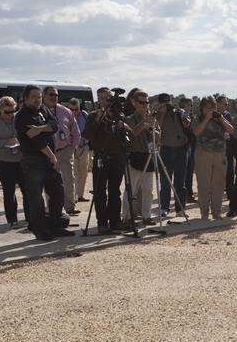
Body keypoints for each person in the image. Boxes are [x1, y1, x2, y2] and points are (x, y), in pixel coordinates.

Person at [14, 85, 71, 241]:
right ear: (25, 98)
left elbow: (55, 125)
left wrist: (40, 128)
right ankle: (40, 230)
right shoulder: (22, 116)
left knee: (57, 192)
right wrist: (52, 156)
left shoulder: (43, 109)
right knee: (36, 198)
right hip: (33, 160)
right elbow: (36, 140)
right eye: (34, 97)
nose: (37, 100)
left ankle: (56, 226)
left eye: (39, 97)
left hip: (48, 159)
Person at [81, 88, 132, 233]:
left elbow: (132, 135)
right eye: (101, 98)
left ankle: (115, 221)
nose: (104, 101)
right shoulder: (93, 115)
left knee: (115, 191)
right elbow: (86, 135)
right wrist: (99, 118)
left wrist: (124, 126)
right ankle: (102, 223)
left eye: (107, 98)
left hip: (117, 157)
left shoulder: (119, 115)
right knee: (99, 192)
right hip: (101, 157)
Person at [0, 96, 24, 229]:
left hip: (20, 160)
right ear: (0, 110)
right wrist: (6, 142)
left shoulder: (18, 119)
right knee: (9, 191)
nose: (10, 115)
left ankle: (30, 219)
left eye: (13, 111)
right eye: (7, 112)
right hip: (3, 161)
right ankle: (12, 220)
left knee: (27, 190)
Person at [44, 86, 81, 216]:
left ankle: (70, 206)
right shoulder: (40, 111)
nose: (54, 97)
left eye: (56, 95)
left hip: (65, 150)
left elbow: (75, 131)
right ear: (44, 96)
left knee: (69, 180)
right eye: (51, 94)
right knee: (50, 182)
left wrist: (73, 147)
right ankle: (52, 209)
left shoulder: (65, 111)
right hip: (47, 152)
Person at [191, 97, 231, 220]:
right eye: (207, 107)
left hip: (220, 154)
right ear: (202, 108)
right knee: (204, 184)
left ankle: (216, 212)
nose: (210, 109)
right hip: (203, 154)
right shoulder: (197, 119)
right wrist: (207, 119)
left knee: (218, 184)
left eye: (212, 107)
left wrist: (222, 119)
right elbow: (196, 132)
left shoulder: (220, 118)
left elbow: (232, 131)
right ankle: (204, 212)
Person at [125, 90, 159, 223]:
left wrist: (151, 128)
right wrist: (143, 123)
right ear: (134, 103)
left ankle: (147, 216)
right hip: (135, 156)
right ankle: (127, 217)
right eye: (141, 102)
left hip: (148, 157)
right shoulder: (130, 118)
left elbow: (159, 136)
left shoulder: (152, 118)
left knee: (148, 190)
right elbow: (132, 134)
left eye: (147, 102)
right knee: (131, 190)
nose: (145, 105)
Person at [156, 93, 193, 213]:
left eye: (168, 101)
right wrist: (162, 113)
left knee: (180, 182)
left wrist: (183, 116)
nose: (167, 104)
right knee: (165, 181)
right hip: (166, 149)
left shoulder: (178, 112)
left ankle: (180, 208)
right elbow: (157, 127)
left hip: (181, 149)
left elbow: (187, 124)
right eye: (164, 102)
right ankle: (164, 207)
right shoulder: (158, 114)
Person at [70, 98, 90, 204]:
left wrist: (83, 135)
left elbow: (89, 129)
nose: (74, 112)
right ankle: (73, 197)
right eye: (72, 109)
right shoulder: (67, 116)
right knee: (73, 174)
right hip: (71, 148)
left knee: (83, 172)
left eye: (76, 109)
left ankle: (80, 195)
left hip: (84, 147)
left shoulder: (84, 115)